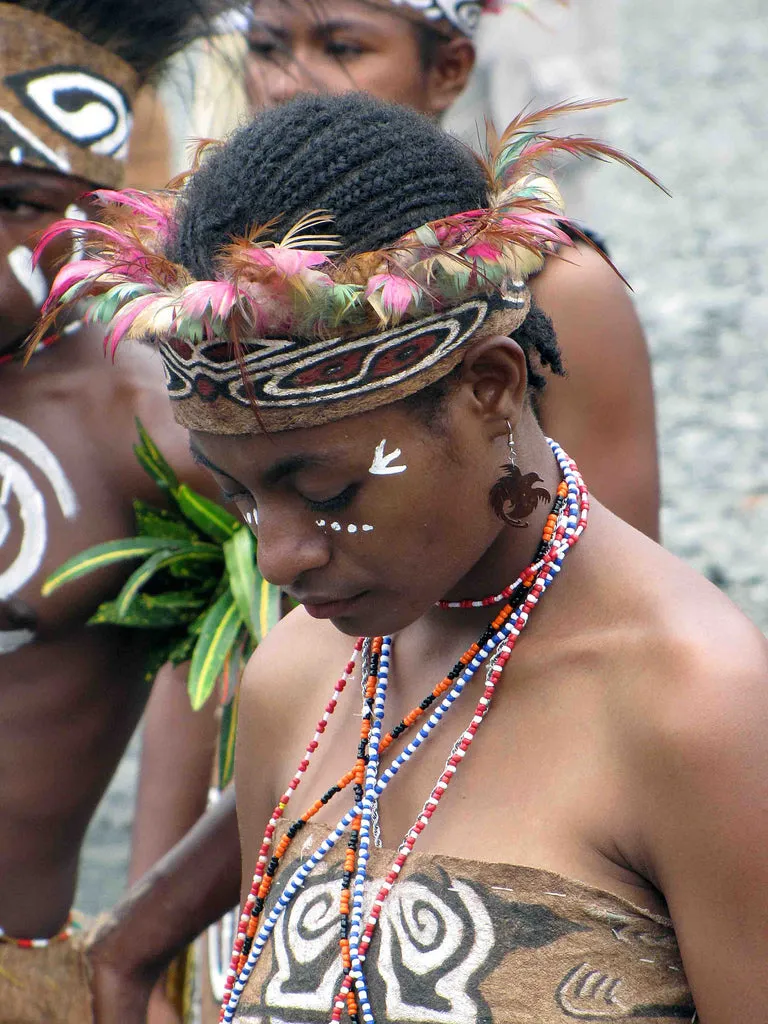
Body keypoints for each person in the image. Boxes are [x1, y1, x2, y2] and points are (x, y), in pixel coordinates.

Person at [40, 92, 768, 1022]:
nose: (278, 559)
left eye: (330, 493)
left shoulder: (693, 705)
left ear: (489, 389)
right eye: (241, 494)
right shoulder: (295, 680)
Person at [0, 1, 239, 1021]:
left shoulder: (150, 426)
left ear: (91, 219)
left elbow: (376, 678)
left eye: (13, 197)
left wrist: (144, 938)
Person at [242, 0, 661, 540]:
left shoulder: (558, 289)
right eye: (265, 47)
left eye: (342, 48)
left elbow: (621, 582)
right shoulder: (187, 284)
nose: (284, 84)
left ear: (448, 70)